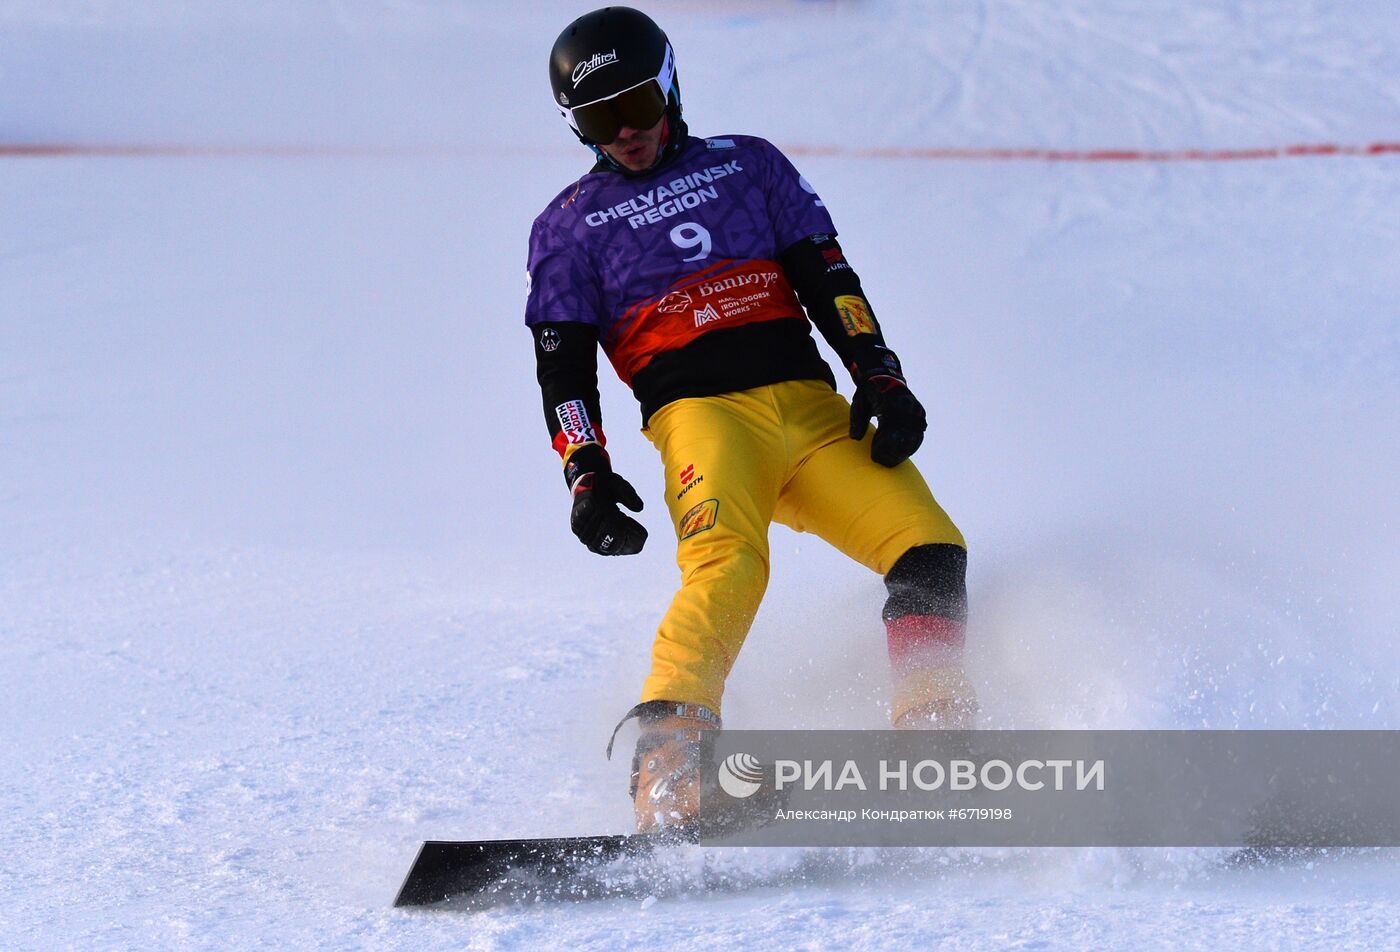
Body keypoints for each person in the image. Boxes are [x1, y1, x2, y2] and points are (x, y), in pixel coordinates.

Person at [527, 7, 975, 833]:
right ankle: (670, 770)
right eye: (598, 119)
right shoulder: (567, 226)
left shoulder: (750, 165)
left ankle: (935, 740)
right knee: (729, 565)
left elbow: (827, 276)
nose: (625, 132)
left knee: (930, 551)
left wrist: (880, 376)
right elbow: (563, 365)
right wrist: (584, 468)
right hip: (701, 419)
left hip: (809, 413)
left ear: (671, 86)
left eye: (638, 106)